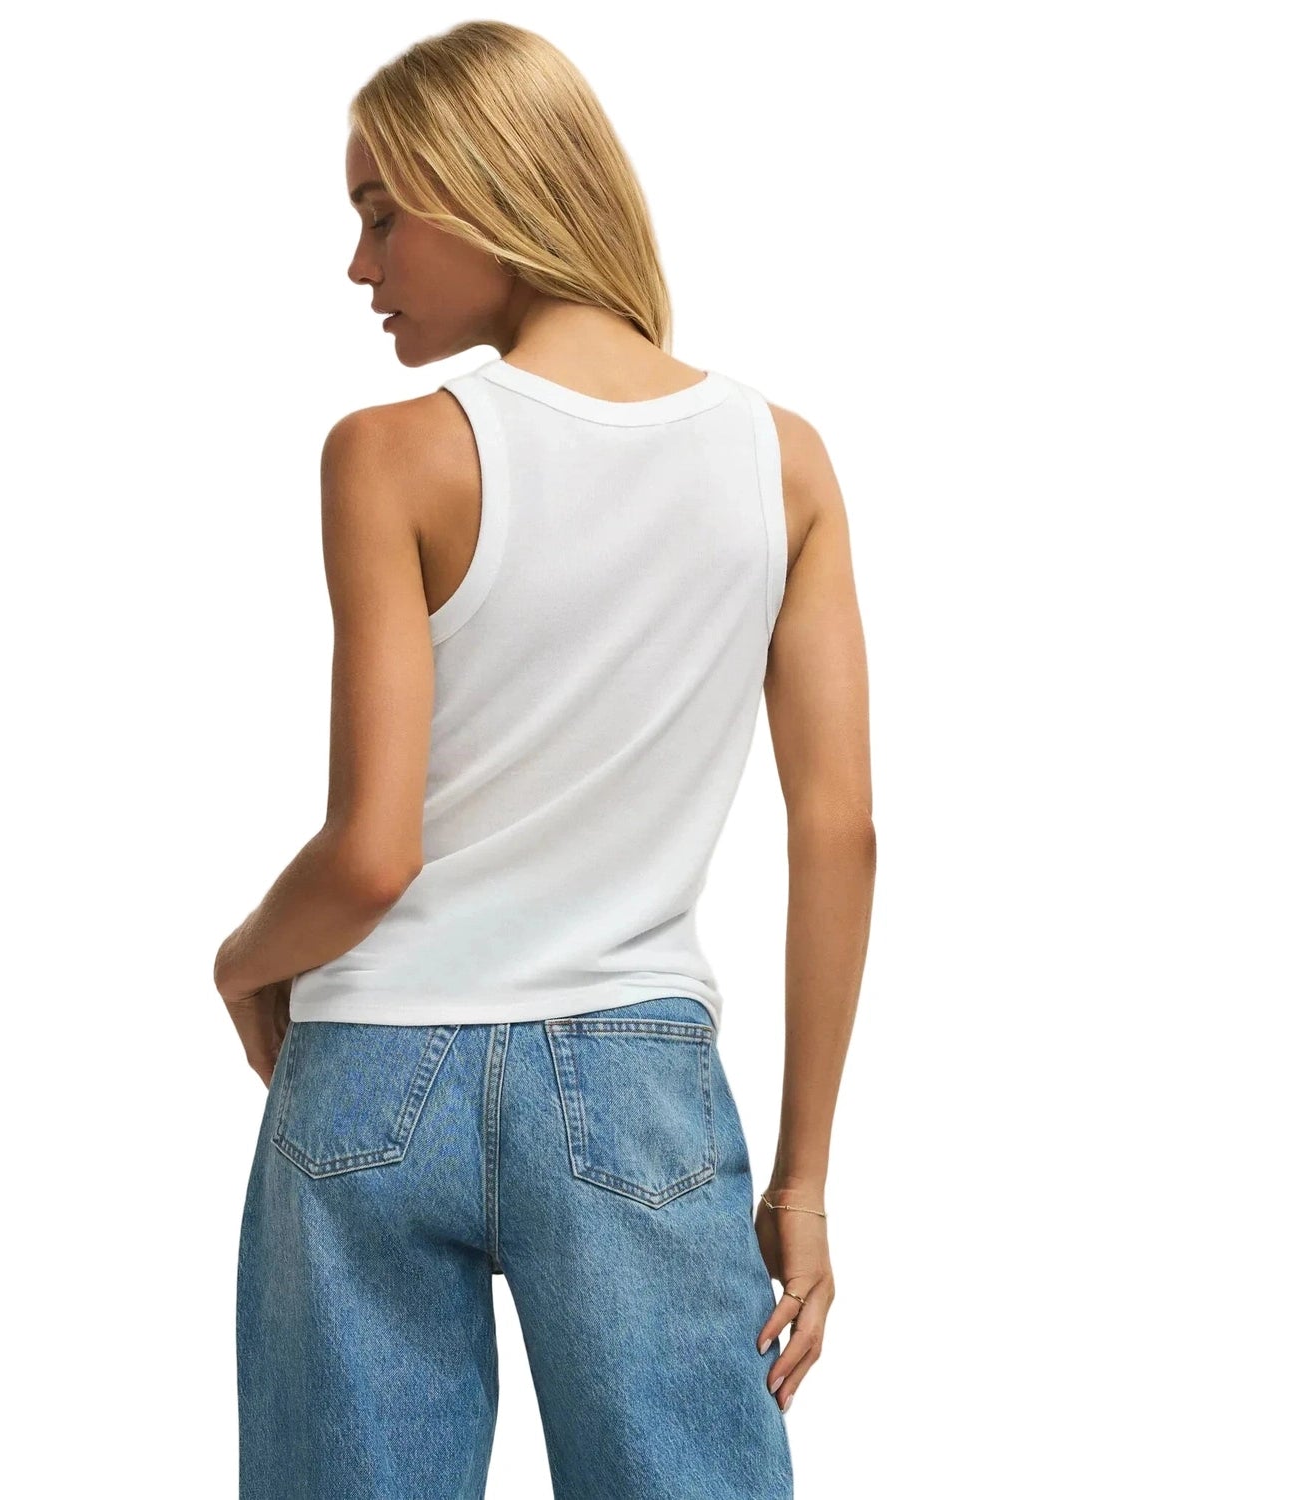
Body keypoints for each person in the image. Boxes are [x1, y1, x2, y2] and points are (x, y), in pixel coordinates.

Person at [212, 20, 875, 1500]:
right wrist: (805, 1179)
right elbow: (839, 832)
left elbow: (370, 856)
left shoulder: (391, 454)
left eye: (382, 213)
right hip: (634, 1082)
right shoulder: (782, 461)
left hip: (370, 1072)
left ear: (487, 187)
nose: (360, 265)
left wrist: (241, 963)